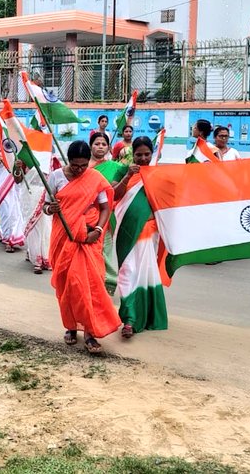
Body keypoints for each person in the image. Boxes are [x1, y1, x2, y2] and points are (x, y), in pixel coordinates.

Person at [44, 140, 120, 354]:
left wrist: (98, 229)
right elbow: (45, 207)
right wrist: (51, 208)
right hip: (64, 238)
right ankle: (71, 326)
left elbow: (105, 207)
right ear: (68, 161)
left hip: (89, 237)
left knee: (89, 286)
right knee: (68, 286)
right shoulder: (56, 177)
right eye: (75, 165)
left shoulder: (94, 178)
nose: (79, 170)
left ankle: (89, 332)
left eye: (83, 166)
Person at [112, 137, 170, 338]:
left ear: (152, 154)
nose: (143, 158)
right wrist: (127, 176)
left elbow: (166, 202)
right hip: (126, 230)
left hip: (149, 231)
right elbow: (114, 194)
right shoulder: (122, 171)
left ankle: (141, 316)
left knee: (146, 271)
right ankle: (129, 318)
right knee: (127, 271)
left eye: (147, 154)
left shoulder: (158, 174)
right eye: (139, 155)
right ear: (132, 154)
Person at [90, 131, 127, 293]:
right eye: (97, 144)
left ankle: (109, 281)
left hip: (107, 213)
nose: (100, 147)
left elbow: (132, 175)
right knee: (89, 249)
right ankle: (92, 279)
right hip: (86, 213)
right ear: (90, 146)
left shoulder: (115, 167)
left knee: (105, 247)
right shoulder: (83, 167)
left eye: (104, 144)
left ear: (109, 148)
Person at [0, 155, 26, 252]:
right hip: (0, 184)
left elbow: (19, 179)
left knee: (14, 214)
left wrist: (18, 168)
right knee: (6, 213)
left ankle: (8, 238)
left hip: (16, 188)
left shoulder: (20, 151)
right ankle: (6, 237)